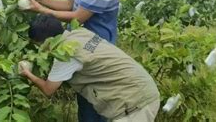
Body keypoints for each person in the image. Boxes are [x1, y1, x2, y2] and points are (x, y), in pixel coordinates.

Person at [24, 0, 119, 121]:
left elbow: (77, 17)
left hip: (96, 47)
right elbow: (69, 4)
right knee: (86, 100)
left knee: (96, 101)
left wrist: (41, 9)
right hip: (82, 42)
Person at [20, 14, 160, 122]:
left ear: (47, 41)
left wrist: (28, 73)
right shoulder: (80, 33)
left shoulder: (65, 55)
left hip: (135, 104)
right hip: (142, 88)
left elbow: (48, 89)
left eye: (39, 45)